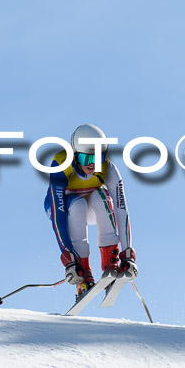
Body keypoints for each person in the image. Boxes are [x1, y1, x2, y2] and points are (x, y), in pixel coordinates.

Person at [44, 123, 137, 300]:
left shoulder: (108, 169)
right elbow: (58, 216)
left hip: (92, 208)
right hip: (63, 209)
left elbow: (121, 209)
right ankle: (83, 274)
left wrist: (127, 251)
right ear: (75, 155)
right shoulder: (61, 165)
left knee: (101, 196)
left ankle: (111, 264)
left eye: (98, 157)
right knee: (77, 203)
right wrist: (69, 257)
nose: (93, 164)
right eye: (87, 159)